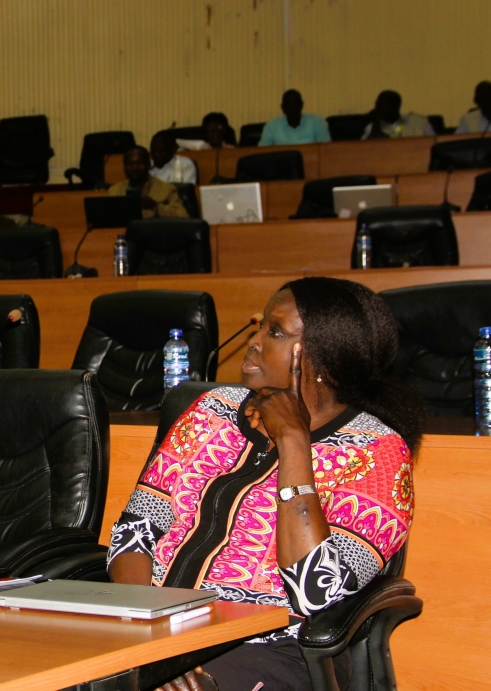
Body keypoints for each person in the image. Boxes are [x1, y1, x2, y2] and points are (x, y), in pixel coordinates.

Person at [109, 277, 423, 691]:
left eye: (274, 332)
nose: (254, 342)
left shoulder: (378, 453)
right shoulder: (211, 410)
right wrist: (154, 635)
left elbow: (314, 592)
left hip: (275, 648)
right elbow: (132, 536)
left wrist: (295, 441)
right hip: (154, 627)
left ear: (325, 359)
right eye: (260, 326)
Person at [108, 146, 189, 218]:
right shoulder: (115, 191)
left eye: (140, 163)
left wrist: (156, 207)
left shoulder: (167, 189)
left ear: (149, 164)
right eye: (130, 164)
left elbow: (183, 216)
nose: (135, 167)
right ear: (124, 167)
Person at [259, 89, 331, 146]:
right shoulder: (272, 127)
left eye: (296, 103)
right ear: (282, 107)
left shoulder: (317, 122)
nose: (292, 107)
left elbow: (326, 150)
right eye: (289, 104)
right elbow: (261, 151)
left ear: (301, 105)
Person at [362, 90, 434, 139]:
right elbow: (362, 150)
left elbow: (436, 144)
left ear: (396, 106)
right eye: (377, 104)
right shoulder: (372, 127)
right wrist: (376, 126)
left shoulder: (419, 122)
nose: (378, 107)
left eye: (384, 104)